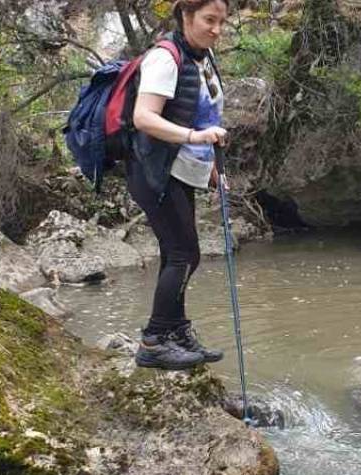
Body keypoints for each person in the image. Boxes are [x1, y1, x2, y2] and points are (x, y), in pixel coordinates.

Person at [127, 0, 231, 370]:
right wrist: (196, 136)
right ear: (186, 17)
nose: (216, 29)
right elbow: (144, 117)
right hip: (154, 171)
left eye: (222, 21)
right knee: (184, 254)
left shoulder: (202, 57)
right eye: (208, 20)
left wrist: (213, 170)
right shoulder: (165, 58)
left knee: (181, 253)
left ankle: (175, 331)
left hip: (182, 171)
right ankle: (155, 340)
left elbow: (202, 110)